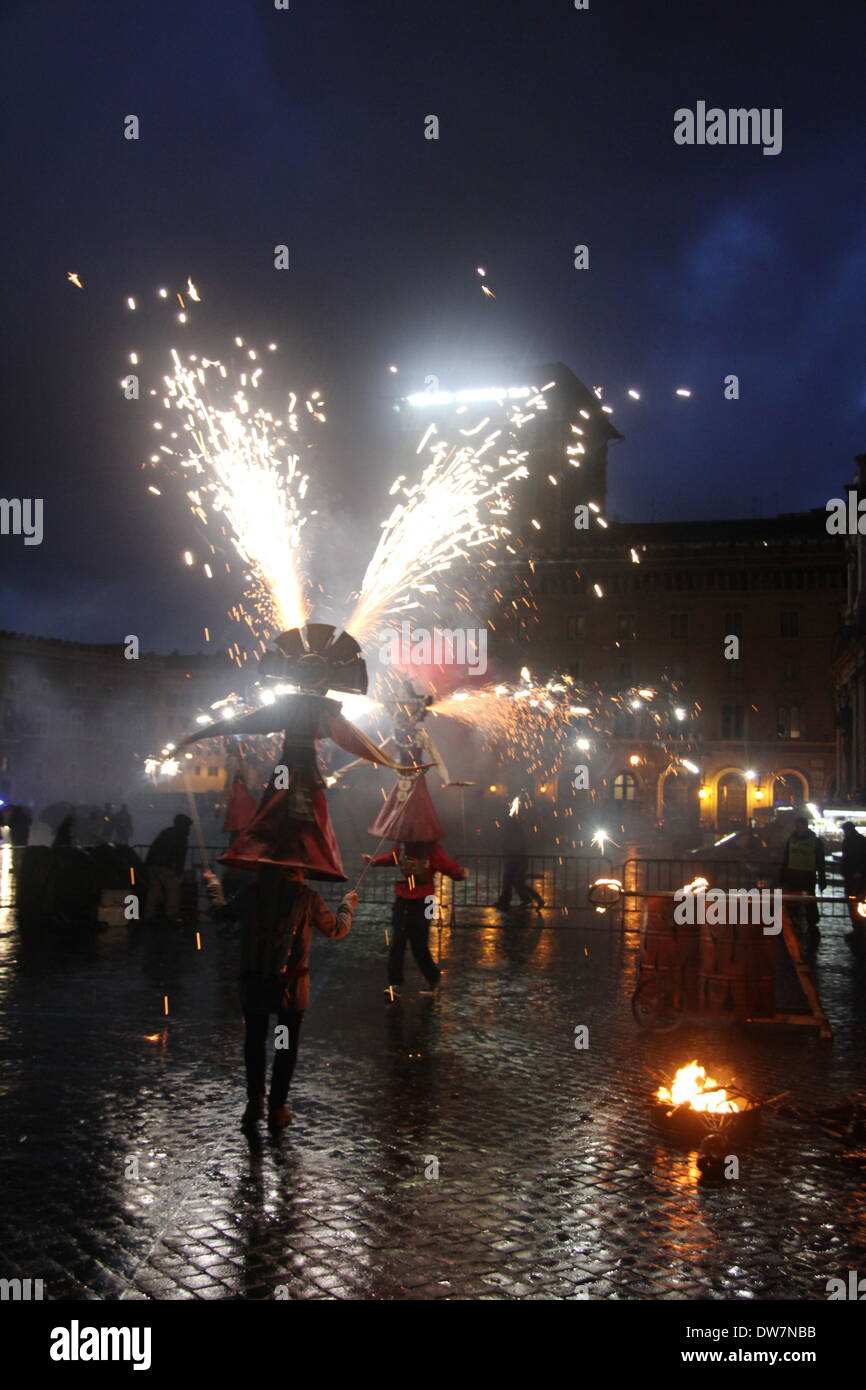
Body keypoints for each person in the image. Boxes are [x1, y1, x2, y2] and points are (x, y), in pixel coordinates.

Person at [211, 864, 357, 1132]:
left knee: (254, 1041)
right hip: (290, 991)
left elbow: (221, 915)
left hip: (254, 983)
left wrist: (213, 888)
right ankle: (277, 1109)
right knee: (284, 1045)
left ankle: (255, 1102)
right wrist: (347, 905)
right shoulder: (307, 896)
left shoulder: (252, 892)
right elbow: (336, 930)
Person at [365, 840, 468, 996]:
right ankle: (394, 983)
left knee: (419, 943)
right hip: (403, 898)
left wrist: (459, 873)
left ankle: (432, 978)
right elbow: (392, 858)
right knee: (398, 941)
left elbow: (446, 865)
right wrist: (374, 862)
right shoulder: (403, 846)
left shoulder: (432, 849)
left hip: (426, 900)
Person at [780, 815, 826, 941]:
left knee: (808, 900)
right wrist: (783, 876)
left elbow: (820, 860)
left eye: (800, 826)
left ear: (805, 826)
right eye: (796, 826)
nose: (798, 828)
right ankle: (795, 921)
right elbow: (786, 857)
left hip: (807, 875)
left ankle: (811, 923)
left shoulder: (814, 841)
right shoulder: (792, 839)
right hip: (793, 874)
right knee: (794, 899)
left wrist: (822, 878)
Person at [144, 813, 192, 920]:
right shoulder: (181, 837)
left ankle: (149, 913)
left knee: (154, 890)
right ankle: (171, 913)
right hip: (165, 866)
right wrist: (179, 873)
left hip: (153, 864)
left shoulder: (166, 832)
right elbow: (180, 857)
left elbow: (154, 848)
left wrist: (147, 864)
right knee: (173, 889)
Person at [496, 810, 544, 910]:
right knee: (514, 883)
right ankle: (524, 899)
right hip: (514, 860)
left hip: (516, 861)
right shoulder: (515, 832)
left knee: (517, 883)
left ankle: (536, 899)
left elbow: (515, 846)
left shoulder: (514, 833)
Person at [840, 820, 866, 946]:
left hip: (854, 878)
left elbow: (849, 858)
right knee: (856, 902)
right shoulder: (861, 840)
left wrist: (856, 872)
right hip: (856, 877)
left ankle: (858, 929)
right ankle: (859, 928)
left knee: (854, 902)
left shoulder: (851, 841)